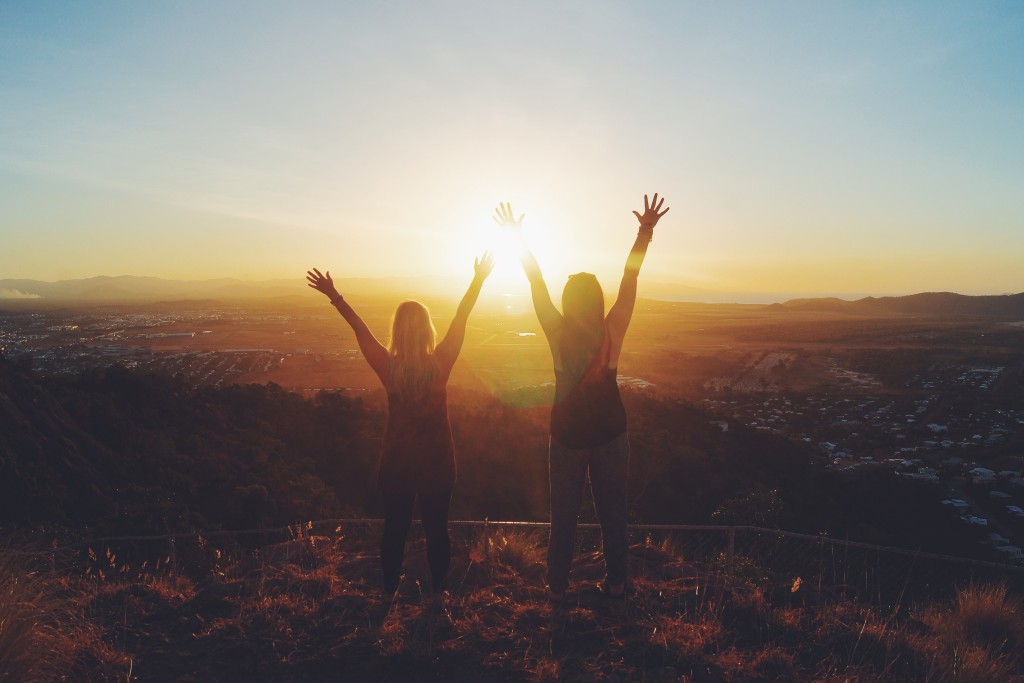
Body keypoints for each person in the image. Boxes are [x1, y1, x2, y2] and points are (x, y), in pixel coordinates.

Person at [494, 194, 669, 601]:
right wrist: (644, 233)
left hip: (567, 438)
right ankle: (617, 586)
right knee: (614, 517)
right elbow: (630, 281)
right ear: (598, 301)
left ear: (569, 301)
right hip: (611, 434)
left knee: (564, 520)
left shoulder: (556, 332)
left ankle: (557, 591)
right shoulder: (612, 332)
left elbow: (535, 282)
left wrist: (516, 238)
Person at [306, 252, 495, 594]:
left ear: (396, 330)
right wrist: (478, 279)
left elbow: (359, 328)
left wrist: (335, 296)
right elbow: (461, 316)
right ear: (427, 330)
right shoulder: (440, 364)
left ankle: (388, 595)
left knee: (394, 530)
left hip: (397, 463)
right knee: (438, 531)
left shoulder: (387, 367)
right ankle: (438, 598)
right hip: (438, 461)